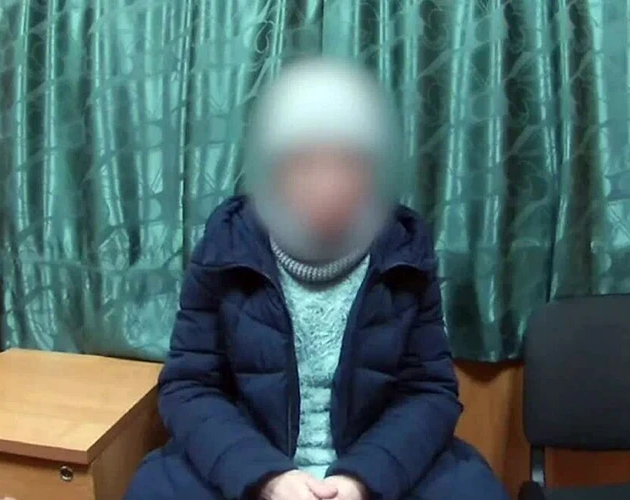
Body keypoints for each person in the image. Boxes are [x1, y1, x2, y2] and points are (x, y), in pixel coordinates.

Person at [125, 57, 509, 500]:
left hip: (374, 465)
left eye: (347, 161)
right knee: (153, 488)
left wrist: (361, 480)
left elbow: (429, 391)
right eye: (304, 162)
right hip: (252, 461)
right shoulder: (226, 244)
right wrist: (268, 478)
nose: (327, 184)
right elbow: (189, 386)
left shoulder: (405, 249)